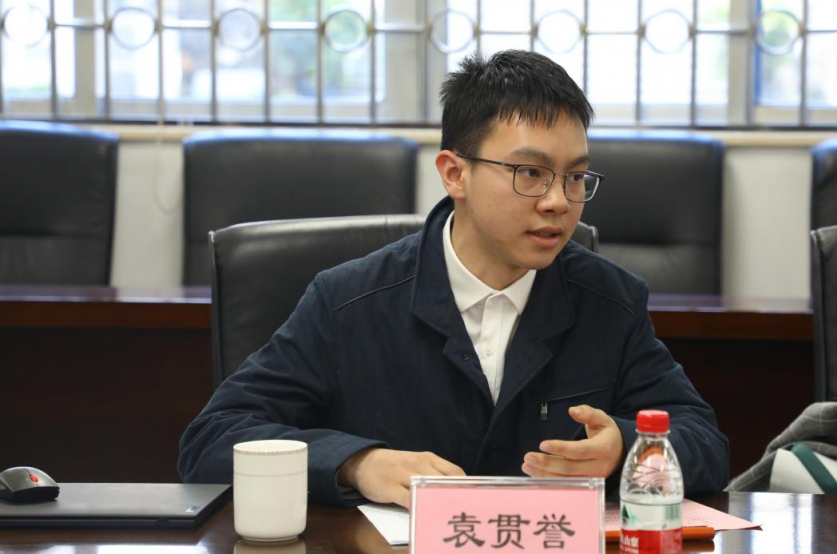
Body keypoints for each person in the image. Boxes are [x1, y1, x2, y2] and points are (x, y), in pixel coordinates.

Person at [178, 50, 729, 507]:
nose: (559, 202)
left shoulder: (610, 301)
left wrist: (625, 448)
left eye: (576, 176)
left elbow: (705, 441)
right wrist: (356, 463)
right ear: (455, 173)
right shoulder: (348, 301)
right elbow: (213, 438)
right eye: (530, 173)